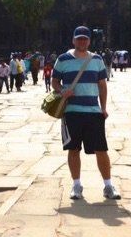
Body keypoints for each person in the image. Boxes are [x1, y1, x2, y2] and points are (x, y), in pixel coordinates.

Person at [52, 25, 121, 200]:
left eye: (85, 38)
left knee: (101, 149)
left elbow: (102, 85)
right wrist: (62, 91)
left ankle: (108, 185)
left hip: (93, 111)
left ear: (89, 41)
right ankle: (76, 185)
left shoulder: (97, 59)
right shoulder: (63, 59)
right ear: (73, 40)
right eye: (79, 38)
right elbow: (55, 81)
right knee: (73, 149)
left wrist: (103, 108)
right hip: (71, 111)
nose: (82, 41)